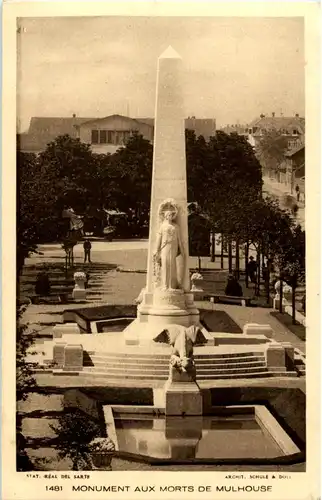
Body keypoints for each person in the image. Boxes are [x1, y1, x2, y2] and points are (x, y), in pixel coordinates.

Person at [154, 209, 184, 290]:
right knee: (165, 265)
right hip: (165, 247)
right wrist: (156, 250)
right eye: (169, 215)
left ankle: (172, 285)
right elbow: (158, 239)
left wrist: (182, 250)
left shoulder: (176, 227)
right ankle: (165, 285)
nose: (171, 216)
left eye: (171, 215)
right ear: (166, 217)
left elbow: (179, 240)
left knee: (172, 266)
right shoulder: (162, 227)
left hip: (173, 247)